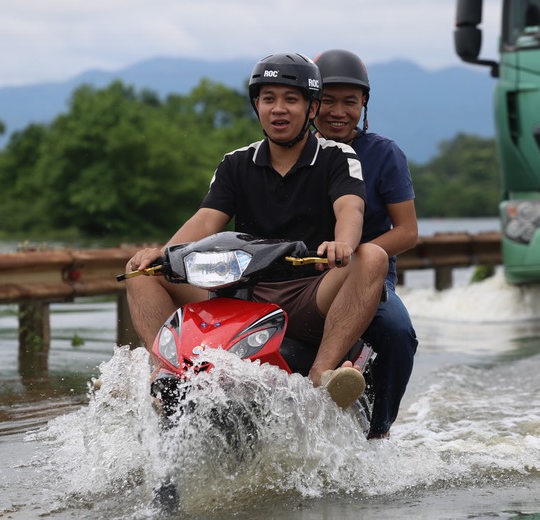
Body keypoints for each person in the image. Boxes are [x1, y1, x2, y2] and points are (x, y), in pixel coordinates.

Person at [125, 52, 388, 408]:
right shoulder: (236, 162)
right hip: (237, 291)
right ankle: (166, 373)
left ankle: (322, 374)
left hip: (309, 294)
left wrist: (343, 243)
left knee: (372, 256)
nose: (278, 109)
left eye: (291, 99)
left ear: (311, 109)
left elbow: (350, 207)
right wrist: (166, 253)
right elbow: (206, 219)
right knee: (140, 272)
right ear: (257, 106)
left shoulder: (337, 156)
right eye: (268, 99)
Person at [313, 49, 419, 439]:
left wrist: (358, 256)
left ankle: (379, 432)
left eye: (350, 102)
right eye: (327, 100)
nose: (338, 111)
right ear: (310, 102)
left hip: (366, 274)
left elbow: (407, 232)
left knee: (397, 333)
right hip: (300, 274)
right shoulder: (292, 151)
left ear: (364, 105)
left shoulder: (384, 153)